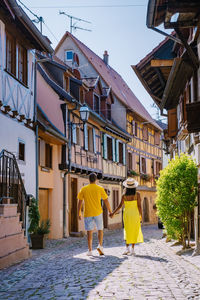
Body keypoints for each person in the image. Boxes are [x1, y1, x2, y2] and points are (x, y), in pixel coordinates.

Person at [77, 172, 112, 256]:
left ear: (89, 180)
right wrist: (110, 211)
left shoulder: (84, 189)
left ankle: (89, 250)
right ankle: (100, 246)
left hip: (88, 213)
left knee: (89, 232)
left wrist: (78, 213)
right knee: (100, 229)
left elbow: (80, 202)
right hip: (98, 212)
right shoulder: (100, 188)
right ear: (96, 180)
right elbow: (106, 200)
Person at [110, 177, 143, 255]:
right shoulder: (137, 194)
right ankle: (132, 249)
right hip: (135, 214)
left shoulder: (124, 195)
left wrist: (113, 213)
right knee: (134, 230)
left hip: (127, 214)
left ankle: (127, 248)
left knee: (127, 230)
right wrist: (141, 215)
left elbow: (120, 205)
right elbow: (139, 206)